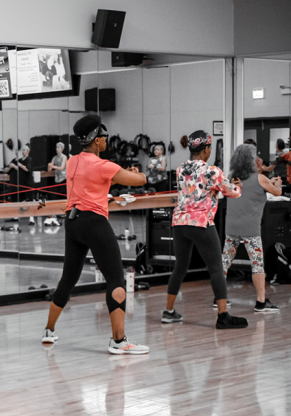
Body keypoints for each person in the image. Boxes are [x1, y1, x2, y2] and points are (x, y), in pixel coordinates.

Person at [41, 115, 150, 354]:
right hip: (94, 223)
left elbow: (89, 182)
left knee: (68, 279)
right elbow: (139, 179)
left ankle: (48, 330)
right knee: (116, 280)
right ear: (95, 139)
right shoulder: (104, 166)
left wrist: (111, 179)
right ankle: (119, 341)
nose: (106, 140)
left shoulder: (72, 162)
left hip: (73, 223)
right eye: (104, 136)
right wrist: (135, 171)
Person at [158, 132, 245, 327]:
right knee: (216, 268)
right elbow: (231, 192)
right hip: (201, 222)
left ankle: (169, 311)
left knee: (180, 267)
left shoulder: (180, 169)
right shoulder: (212, 171)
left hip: (180, 223)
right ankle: (223, 316)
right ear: (206, 149)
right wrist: (238, 187)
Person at [221, 143, 282, 313]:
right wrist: (277, 183)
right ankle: (261, 302)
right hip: (250, 229)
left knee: (225, 262)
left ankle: (219, 298)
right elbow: (277, 193)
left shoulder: (231, 177)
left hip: (231, 227)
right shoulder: (259, 178)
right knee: (257, 264)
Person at [45, 142, 69, 226]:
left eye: (58, 147)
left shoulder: (64, 157)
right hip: (57, 179)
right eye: (56, 147)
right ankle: (57, 212)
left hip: (63, 179)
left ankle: (65, 212)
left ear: (62, 149)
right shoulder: (54, 158)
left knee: (63, 196)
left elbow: (62, 167)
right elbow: (49, 169)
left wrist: (53, 166)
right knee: (56, 196)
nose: (57, 149)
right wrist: (49, 166)